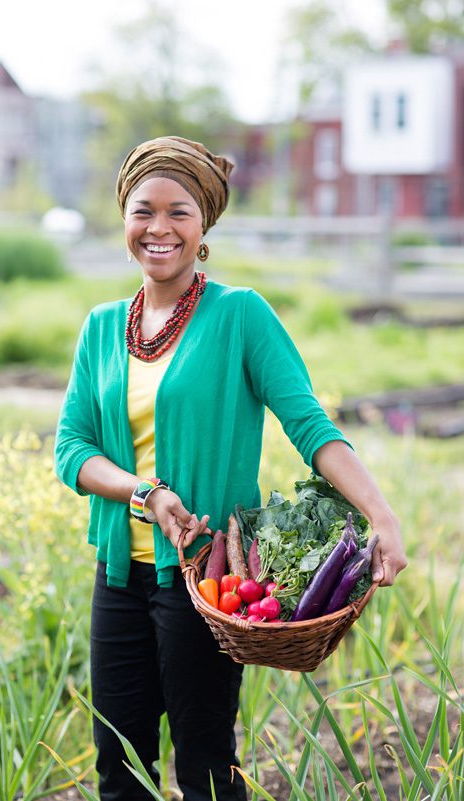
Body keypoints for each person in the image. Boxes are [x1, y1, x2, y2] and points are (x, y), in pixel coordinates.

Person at [54, 135, 407, 801]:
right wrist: (146, 492)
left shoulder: (240, 315)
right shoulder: (100, 327)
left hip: (205, 582)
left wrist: (380, 514)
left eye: (178, 211)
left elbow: (311, 427)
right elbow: (72, 450)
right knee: (118, 764)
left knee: (207, 768)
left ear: (204, 224)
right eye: (143, 210)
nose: (159, 228)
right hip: (117, 576)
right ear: (123, 218)